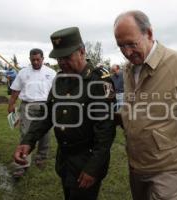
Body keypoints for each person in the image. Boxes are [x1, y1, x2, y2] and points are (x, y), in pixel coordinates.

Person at [114, 10, 177, 200]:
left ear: (149, 34)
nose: (127, 52)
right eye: (121, 46)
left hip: (168, 169)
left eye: (131, 44)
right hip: (136, 166)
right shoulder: (128, 69)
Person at [13, 27, 116, 200]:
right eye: (59, 58)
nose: (62, 62)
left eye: (67, 57)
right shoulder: (60, 79)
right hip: (65, 159)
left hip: (86, 160)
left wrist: (93, 168)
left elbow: (105, 131)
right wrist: (28, 141)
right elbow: (47, 114)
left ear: (82, 52)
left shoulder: (98, 81)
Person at [8, 48, 56, 178]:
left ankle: (41, 157)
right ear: (29, 59)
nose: (35, 62)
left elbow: (57, 91)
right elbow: (15, 90)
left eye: (38, 59)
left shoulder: (51, 73)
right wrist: (11, 104)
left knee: (45, 134)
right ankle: (22, 164)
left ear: (43, 59)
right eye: (33, 59)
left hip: (45, 106)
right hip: (27, 106)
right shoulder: (23, 72)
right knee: (25, 134)